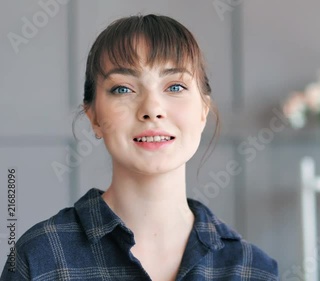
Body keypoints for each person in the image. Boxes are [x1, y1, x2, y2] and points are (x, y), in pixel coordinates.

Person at [1, 14, 278, 281]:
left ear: (203, 111)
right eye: (123, 89)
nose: (152, 109)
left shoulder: (252, 269)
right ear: (94, 117)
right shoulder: (39, 258)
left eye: (175, 86)